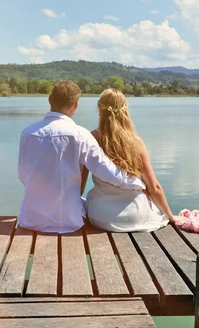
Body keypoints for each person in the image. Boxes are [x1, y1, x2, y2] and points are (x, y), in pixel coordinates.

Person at [18, 80, 146, 233]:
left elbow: (23, 175)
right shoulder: (80, 135)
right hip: (68, 223)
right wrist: (138, 183)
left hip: (31, 220)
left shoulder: (28, 133)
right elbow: (106, 171)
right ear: (75, 106)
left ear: (49, 99)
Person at [84, 89, 186, 232]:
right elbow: (154, 188)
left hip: (101, 217)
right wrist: (170, 216)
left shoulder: (90, 139)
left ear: (99, 109)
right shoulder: (136, 142)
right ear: (125, 110)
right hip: (135, 216)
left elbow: (78, 185)